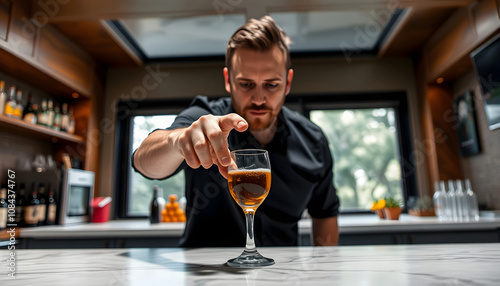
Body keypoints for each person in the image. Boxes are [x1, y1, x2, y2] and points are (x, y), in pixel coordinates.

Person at [133, 15, 339, 247]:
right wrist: (178, 140)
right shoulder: (204, 116)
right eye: (246, 84)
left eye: (271, 84)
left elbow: (325, 214)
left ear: (288, 83)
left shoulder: (313, 140)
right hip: (204, 278)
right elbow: (143, 162)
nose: (259, 99)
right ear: (228, 80)